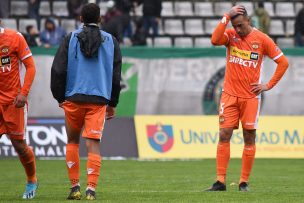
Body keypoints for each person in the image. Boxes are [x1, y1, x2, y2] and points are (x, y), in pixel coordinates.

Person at [205, 5, 289, 192]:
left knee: (249, 137)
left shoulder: (262, 39)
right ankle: (220, 182)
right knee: (224, 134)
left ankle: (243, 182)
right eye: (235, 26)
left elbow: (283, 62)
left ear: (249, 21)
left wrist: (268, 85)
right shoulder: (230, 36)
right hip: (229, 94)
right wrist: (226, 16)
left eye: (241, 25)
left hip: (251, 98)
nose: (238, 30)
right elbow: (214, 39)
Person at [51, 3, 122, 200]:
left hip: (73, 98)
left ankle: (75, 188)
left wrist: (59, 96)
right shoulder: (111, 41)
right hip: (98, 101)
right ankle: (91, 189)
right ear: (100, 19)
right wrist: (113, 103)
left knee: (72, 141)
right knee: (93, 145)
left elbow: (58, 69)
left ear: (80, 18)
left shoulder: (70, 38)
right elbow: (116, 76)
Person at [0, 20, 38, 199]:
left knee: (19, 146)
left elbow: (31, 67)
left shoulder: (15, 38)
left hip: (14, 102)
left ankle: (32, 179)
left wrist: (24, 93)